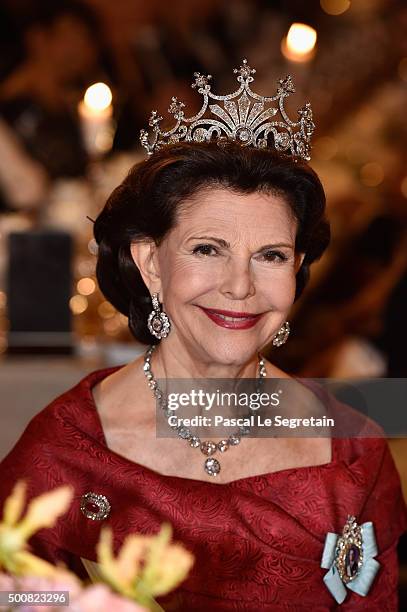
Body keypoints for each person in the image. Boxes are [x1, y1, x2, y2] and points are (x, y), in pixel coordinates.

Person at [0, 62, 405, 610]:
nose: (240, 287)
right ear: (150, 263)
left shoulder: (353, 452)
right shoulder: (60, 460)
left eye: (271, 256)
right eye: (207, 249)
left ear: (297, 268)